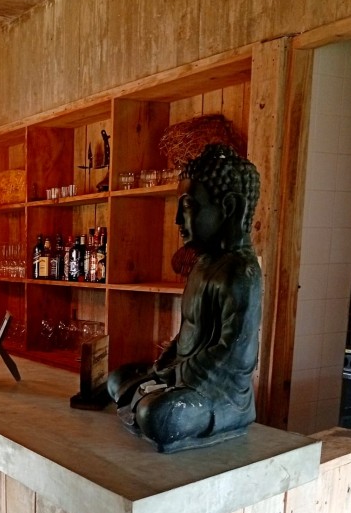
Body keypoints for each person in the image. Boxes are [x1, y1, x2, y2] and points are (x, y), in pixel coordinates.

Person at [107, 143, 262, 453]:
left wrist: (175, 374)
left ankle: (158, 406)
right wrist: (164, 364)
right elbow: (189, 332)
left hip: (218, 394)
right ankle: (151, 398)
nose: (178, 219)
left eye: (188, 206)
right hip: (182, 377)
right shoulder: (203, 264)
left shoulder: (241, 273)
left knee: (158, 416)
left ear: (229, 208)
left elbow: (236, 355)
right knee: (116, 379)